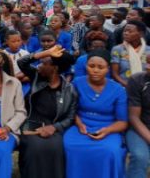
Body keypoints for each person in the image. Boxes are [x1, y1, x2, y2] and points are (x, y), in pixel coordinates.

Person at [64, 49, 128, 178]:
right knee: (70, 147)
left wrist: (107, 130)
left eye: (101, 67)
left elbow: (123, 122)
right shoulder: (76, 83)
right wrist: (79, 122)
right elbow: (70, 109)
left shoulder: (118, 90)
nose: (95, 70)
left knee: (110, 151)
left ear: (108, 69)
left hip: (109, 128)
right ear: (85, 66)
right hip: (80, 127)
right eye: (91, 66)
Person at [17, 46, 77, 178]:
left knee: (56, 147)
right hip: (30, 124)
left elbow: (71, 116)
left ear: (54, 68)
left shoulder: (69, 90)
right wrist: (45, 53)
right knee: (34, 147)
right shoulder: (36, 77)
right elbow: (21, 62)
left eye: (44, 63)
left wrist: (54, 127)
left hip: (53, 126)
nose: (39, 66)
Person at [126, 54, 150, 178]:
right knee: (140, 157)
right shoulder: (137, 80)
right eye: (148, 63)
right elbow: (134, 117)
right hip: (139, 129)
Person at [111, 20, 150, 87]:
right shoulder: (117, 49)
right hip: (124, 87)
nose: (126, 33)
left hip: (146, 88)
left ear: (141, 34)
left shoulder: (148, 50)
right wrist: (129, 86)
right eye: (125, 31)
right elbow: (115, 74)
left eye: (130, 31)